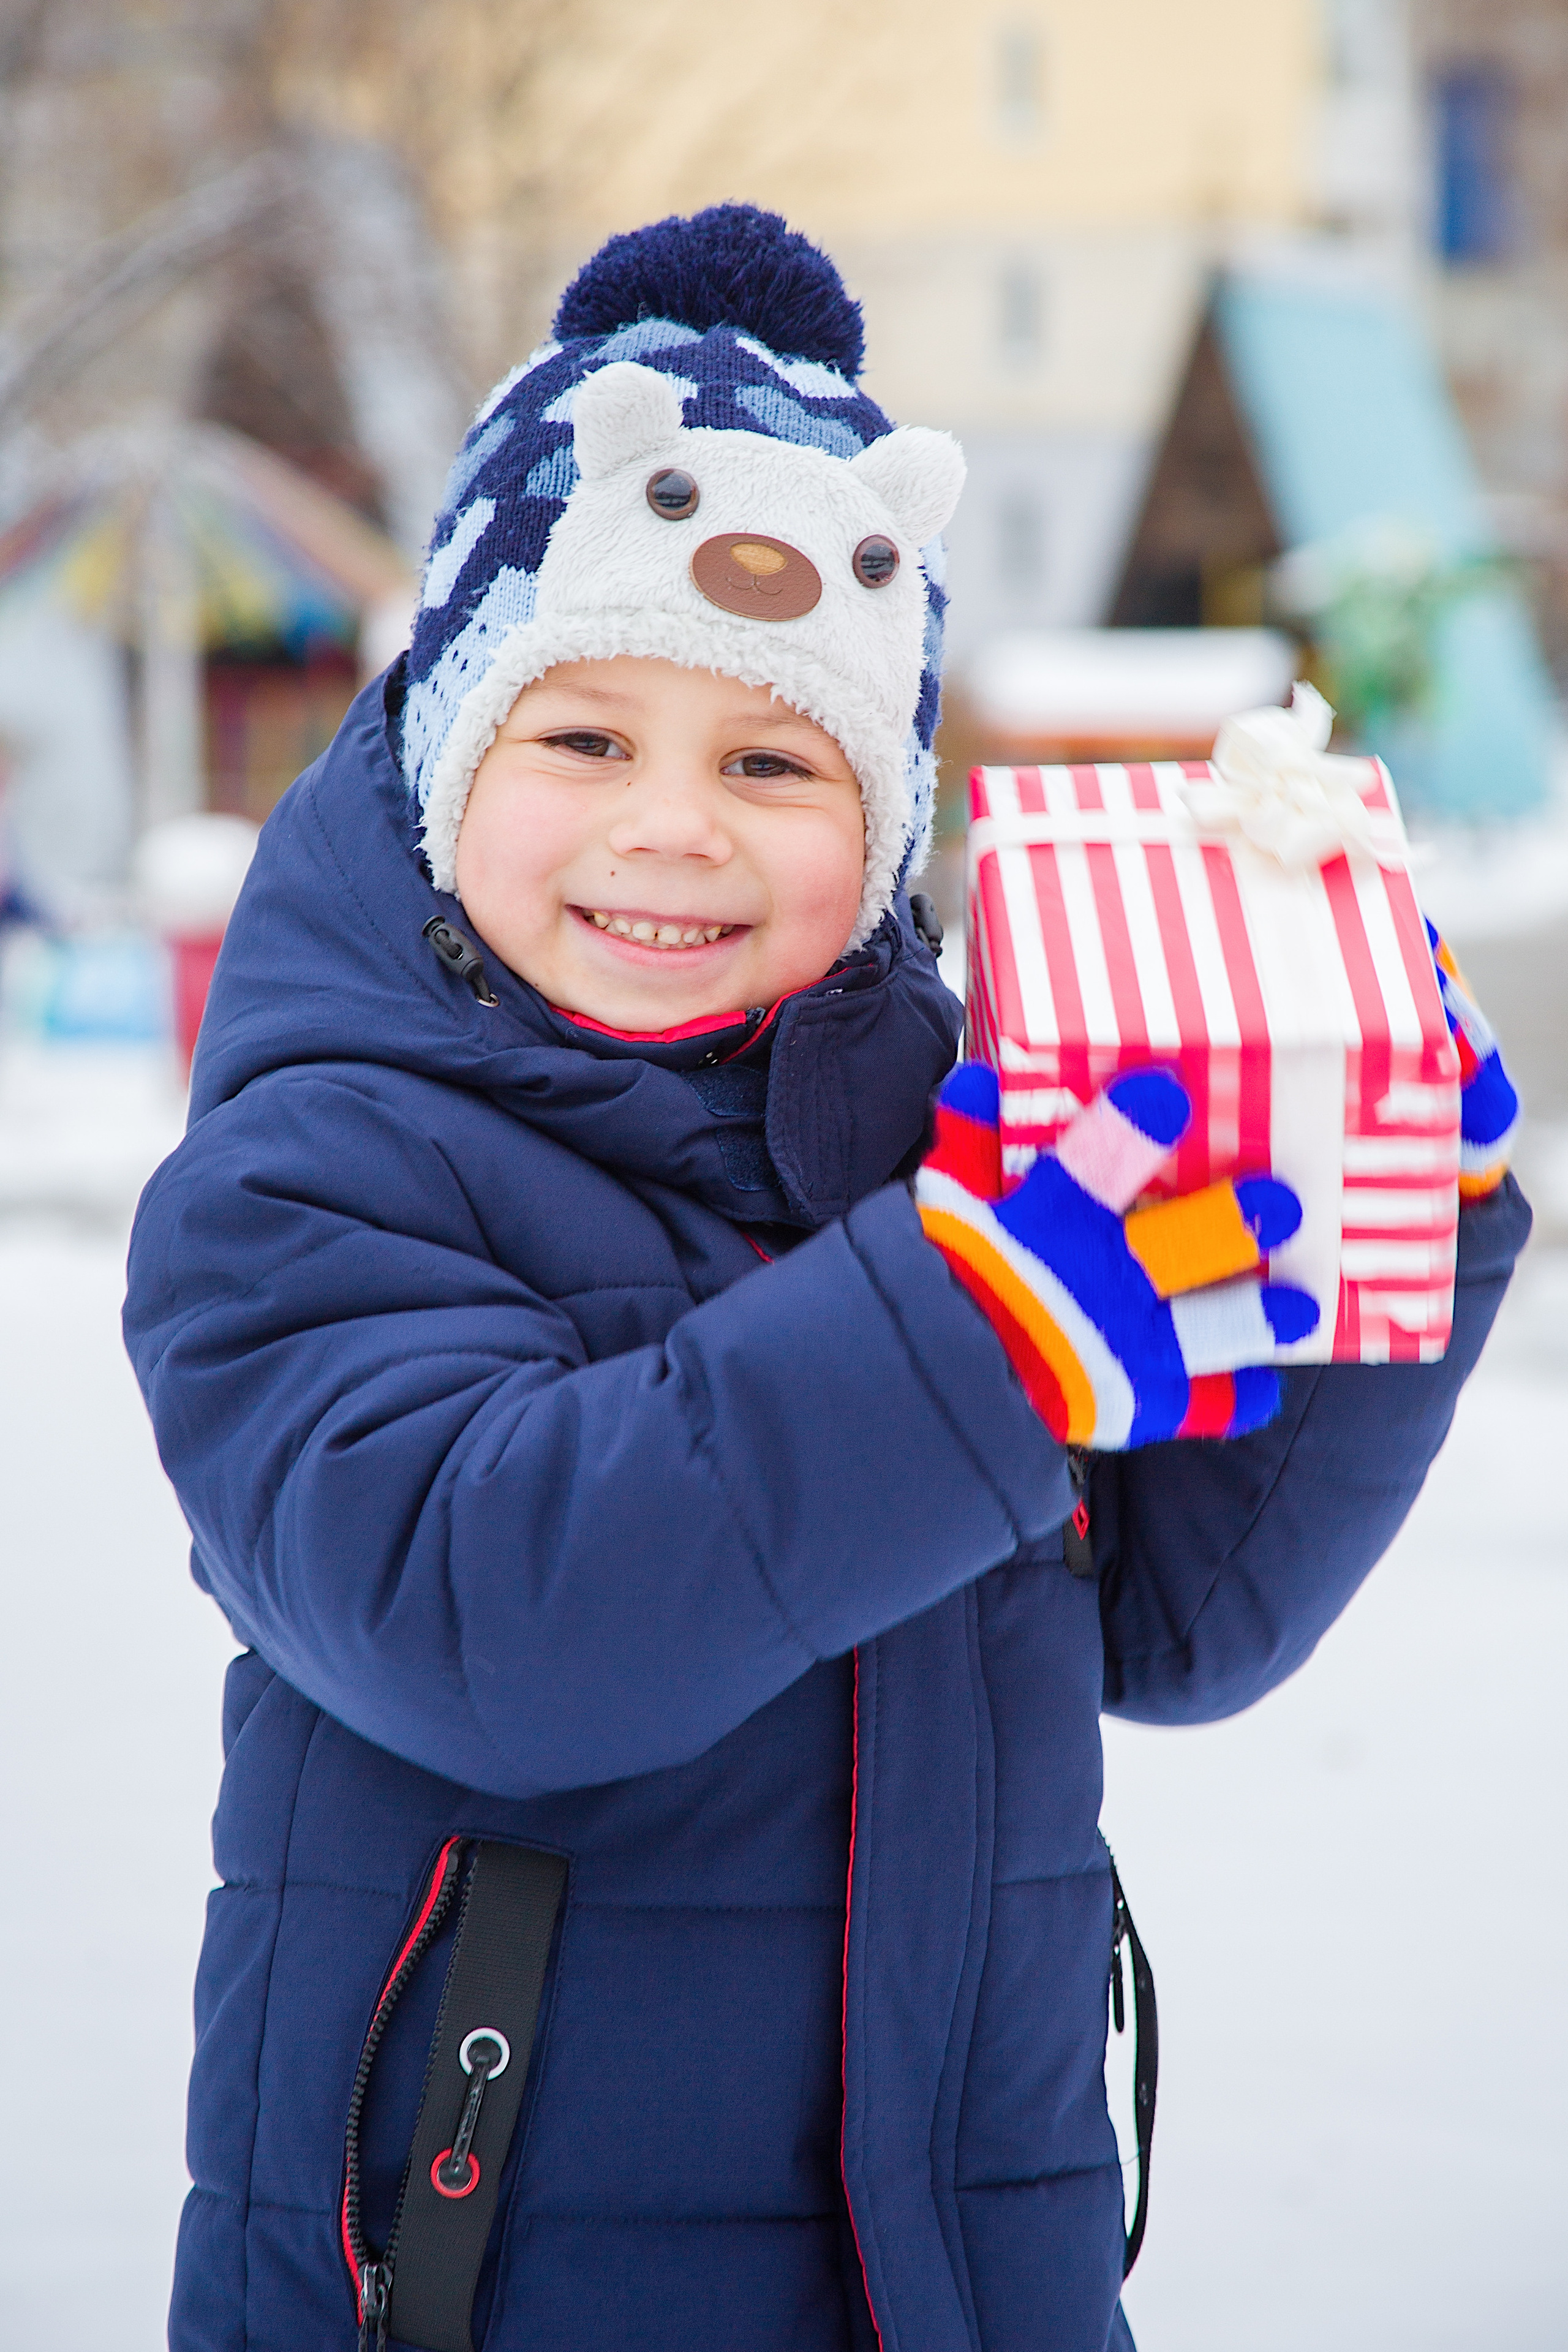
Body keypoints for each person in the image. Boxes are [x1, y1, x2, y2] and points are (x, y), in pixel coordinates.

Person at [123, 206, 1529, 2352]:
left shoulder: (962, 1152)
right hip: (479, 2291)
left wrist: (1374, 1189)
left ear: (879, 835)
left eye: (774, 764)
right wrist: (987, 1324)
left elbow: (1175, 1617)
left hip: (974, 2269)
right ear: (441, 759)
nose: (673, 827)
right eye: (583, 739)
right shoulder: (313, 1178)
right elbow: (486, 1613)